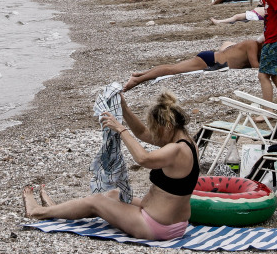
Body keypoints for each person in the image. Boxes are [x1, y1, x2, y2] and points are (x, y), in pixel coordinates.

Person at [22, 92, 197, 241]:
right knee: (113, 194)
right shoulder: (188, 144)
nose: (154, 136)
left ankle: (37, 212)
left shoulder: (176, 150)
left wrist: (120, 129)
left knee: (95, 201)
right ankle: (54, 210)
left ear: (166, 127)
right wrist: (124, 108)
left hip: (156, 226)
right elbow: (143, 133)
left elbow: (143, 159)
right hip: (175, 224)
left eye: (156, 129)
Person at [123, 40, 263, 91]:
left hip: (211, 58)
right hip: (210, 60)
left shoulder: (250, 45)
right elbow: (255, 66)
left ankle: (140, 74)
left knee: (173, 67)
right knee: (173, 70)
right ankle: (138, 80)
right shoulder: (252, 45)